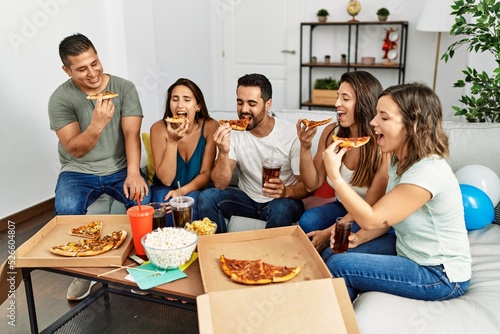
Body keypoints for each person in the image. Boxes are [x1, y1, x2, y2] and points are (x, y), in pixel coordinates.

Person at [322, 82, 472, 302]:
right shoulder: (398, 159)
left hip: (440, 274)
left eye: (384, 117)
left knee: (338, 265)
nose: (372, 122)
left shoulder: (428, 171)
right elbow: (388, 219)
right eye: (376, 115)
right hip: (407, 250)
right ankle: (346, 313)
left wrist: (335, 176)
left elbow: (373, 219)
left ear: (412, 125)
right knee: (332, 253)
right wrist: (358, 238)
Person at [48, 33, 150, 301]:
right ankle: (83, 274)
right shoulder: (60, 99)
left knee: (145, 203)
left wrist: (133, 172)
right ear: (66, 70)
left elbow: (132, 134)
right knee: (66, 211)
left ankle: (148, 267)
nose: (92, 73)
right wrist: (97, 124)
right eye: (82, 69)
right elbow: (75, 149)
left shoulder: (124, 87)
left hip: (120, 168)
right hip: (77, 171)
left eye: (95, 62)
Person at [198, 73, 309, 233]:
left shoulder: (290, 134)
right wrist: (223, 152)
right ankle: (220, 251)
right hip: (246, 199)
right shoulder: (233, 132)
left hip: (281, 201)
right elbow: (220, 184)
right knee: (207, 197)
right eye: (240, 102)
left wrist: (286, 191)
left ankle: (268, 256)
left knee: (281, 207)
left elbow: (307, 187)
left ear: (268, 104)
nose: (244, 110)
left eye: (252, 103)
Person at [296, 71, 393, 255]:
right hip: (343, 206)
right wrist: (304, 148)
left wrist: (327, 232)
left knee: (332, 250)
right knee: (308, 222)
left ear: (364, 103)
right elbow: (312, 183)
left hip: (369, 213)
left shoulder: (382, 145)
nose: (337, 104)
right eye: (337, 97)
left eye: (345, 98)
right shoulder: (331, 132)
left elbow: (370, 206)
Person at [150, 78, 219, 226]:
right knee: (166, 206)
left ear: (198, 106)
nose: (180, 105)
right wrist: (172, 141)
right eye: (175, 99)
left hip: (195, 187)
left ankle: (194, 248)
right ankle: (169, 248)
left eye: (187, 100)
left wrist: (181, 192)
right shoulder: (158, 128)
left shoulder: (210, 126)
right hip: (165, 186)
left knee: (190, 206)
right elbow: (166, 179)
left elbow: (206, 173)